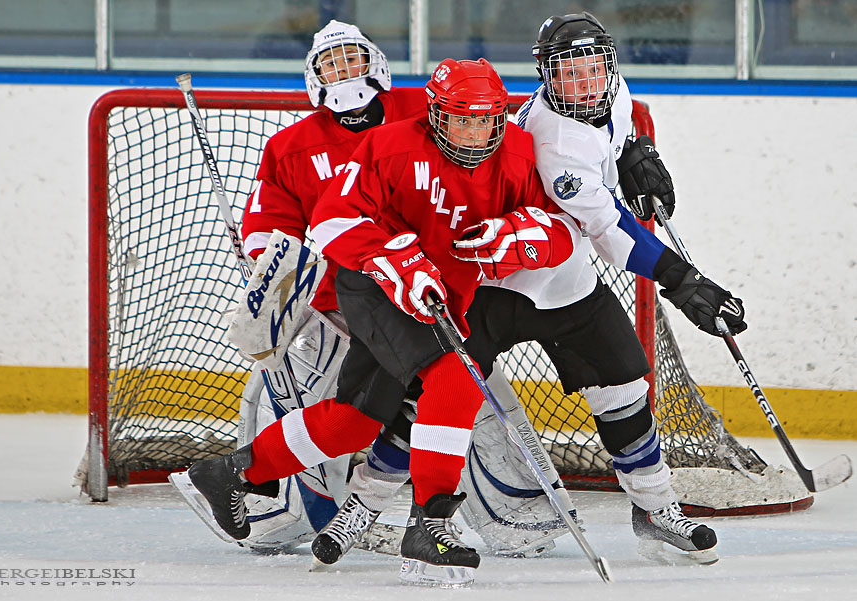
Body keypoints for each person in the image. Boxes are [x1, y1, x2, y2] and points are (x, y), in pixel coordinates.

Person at [314, 12, 747, 568]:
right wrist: (683, 280)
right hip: (496, 287)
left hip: (569, 287)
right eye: (570, 74)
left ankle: (656, 507)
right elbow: (608, 228)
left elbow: (612, 137)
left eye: (595, 68)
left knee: (623, 390)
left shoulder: (608, 93)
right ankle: (366, 505)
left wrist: (630, 153)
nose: (586, 83)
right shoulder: (552, 142)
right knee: (432, 398)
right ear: (546, 77)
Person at [185, 57, 578, 587]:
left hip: (440, 295)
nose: (475, 130)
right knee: (458, 376)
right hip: (372, 286)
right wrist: (395, 259)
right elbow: (331, 220)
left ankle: (229, 472)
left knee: (356, 420)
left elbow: (561, 225)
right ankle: (430, 523)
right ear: (436, 114)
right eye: (461, 118)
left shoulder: (517, 153)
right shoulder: (389, 146)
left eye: (486, 118)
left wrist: (525, 236)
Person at [170, 19, 430, 552]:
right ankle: (270, 503)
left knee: (443, 397)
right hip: (337, 309)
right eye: (331, 64)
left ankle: (493, 509)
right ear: (314, 78)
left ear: (375, 63)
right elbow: (270, 226)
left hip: (423, 296)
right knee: (328, 411)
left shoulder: (423, 112)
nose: (344, 71)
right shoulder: (292, 146)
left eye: (352, 59)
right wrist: (269, 265)